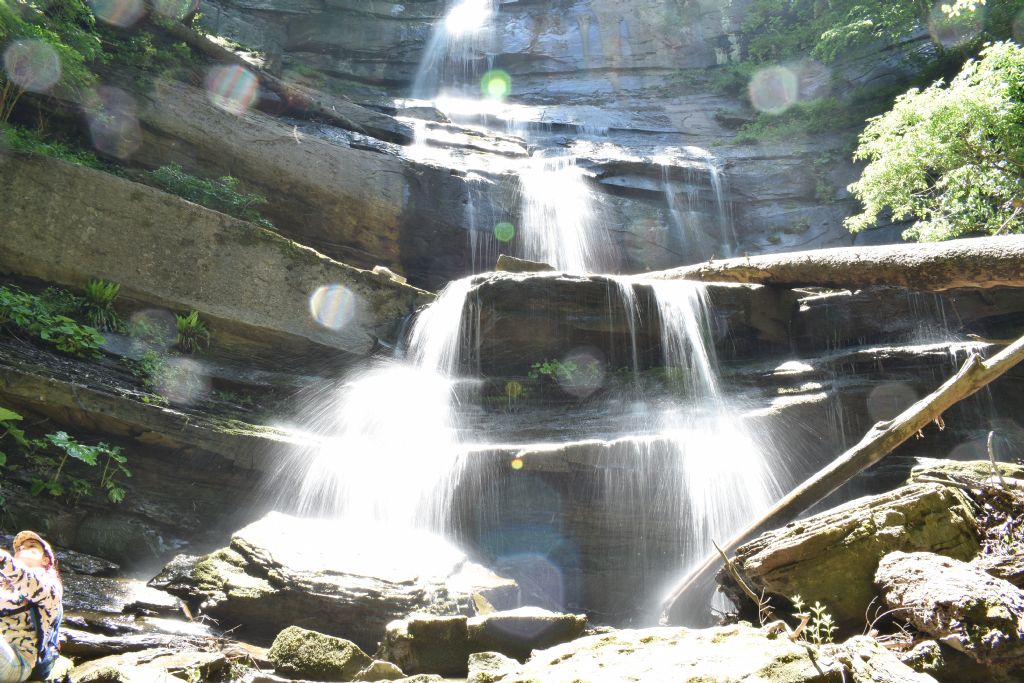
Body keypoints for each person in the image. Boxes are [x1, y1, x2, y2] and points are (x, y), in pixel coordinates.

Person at [0, 532, 62, 683]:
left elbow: (27, 579)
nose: (22, 548)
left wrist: (3, 559)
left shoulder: (50, 585)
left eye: (31, 546)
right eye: (20, 547)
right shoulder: (4, 584)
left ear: (45, 560)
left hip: (17, 662)